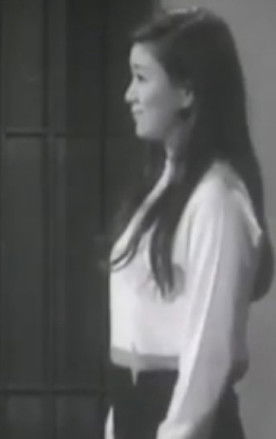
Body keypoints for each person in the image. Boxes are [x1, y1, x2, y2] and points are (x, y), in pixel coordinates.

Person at [106, 7, 273, 439]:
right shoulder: (160, 187)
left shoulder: (217, 200)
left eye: (141, 78)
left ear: (186, 91)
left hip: (183, 419)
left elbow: (209, 353)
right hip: (136, 409)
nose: (128, 95)